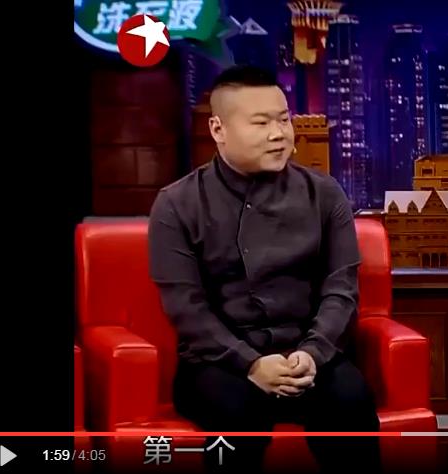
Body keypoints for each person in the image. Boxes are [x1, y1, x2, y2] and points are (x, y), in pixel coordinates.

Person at [148, 65, 380, 473]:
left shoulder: (324, 194)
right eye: (261, 123)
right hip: (220, 363)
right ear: (218, 129)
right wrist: (251, 364)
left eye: (283, 119)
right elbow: (186, 307)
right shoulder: (177, 204)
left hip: (310, 356)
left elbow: (341, 289)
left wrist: (312, 353)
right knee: (237, 415)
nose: (279, 134)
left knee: (351, 400)